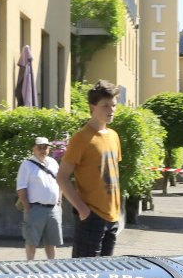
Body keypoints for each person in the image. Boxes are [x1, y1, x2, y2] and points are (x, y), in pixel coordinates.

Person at [58, 81, 122, 258]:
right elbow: (62, 177)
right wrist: (82, 210)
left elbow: (111, 173)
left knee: (106, 272)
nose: (111, 110)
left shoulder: (113, 136)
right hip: (92, 217)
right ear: (93, 107)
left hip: (112, 217)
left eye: (114, 105)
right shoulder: (81, 138)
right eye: (105, 106)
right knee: (84, 272)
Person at [15, 136, 62, 261]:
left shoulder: (53, 163)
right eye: (39, 147)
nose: (43, 150)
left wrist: (59, 201)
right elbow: (21, 187)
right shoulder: (26, 165)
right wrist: (27, 207)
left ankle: (51, 265)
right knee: (31, 241)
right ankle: (30, 264)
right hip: (35, 208)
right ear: (34, 149)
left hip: (53, 208)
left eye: (45, 147)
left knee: (52, 241)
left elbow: (60, 182)